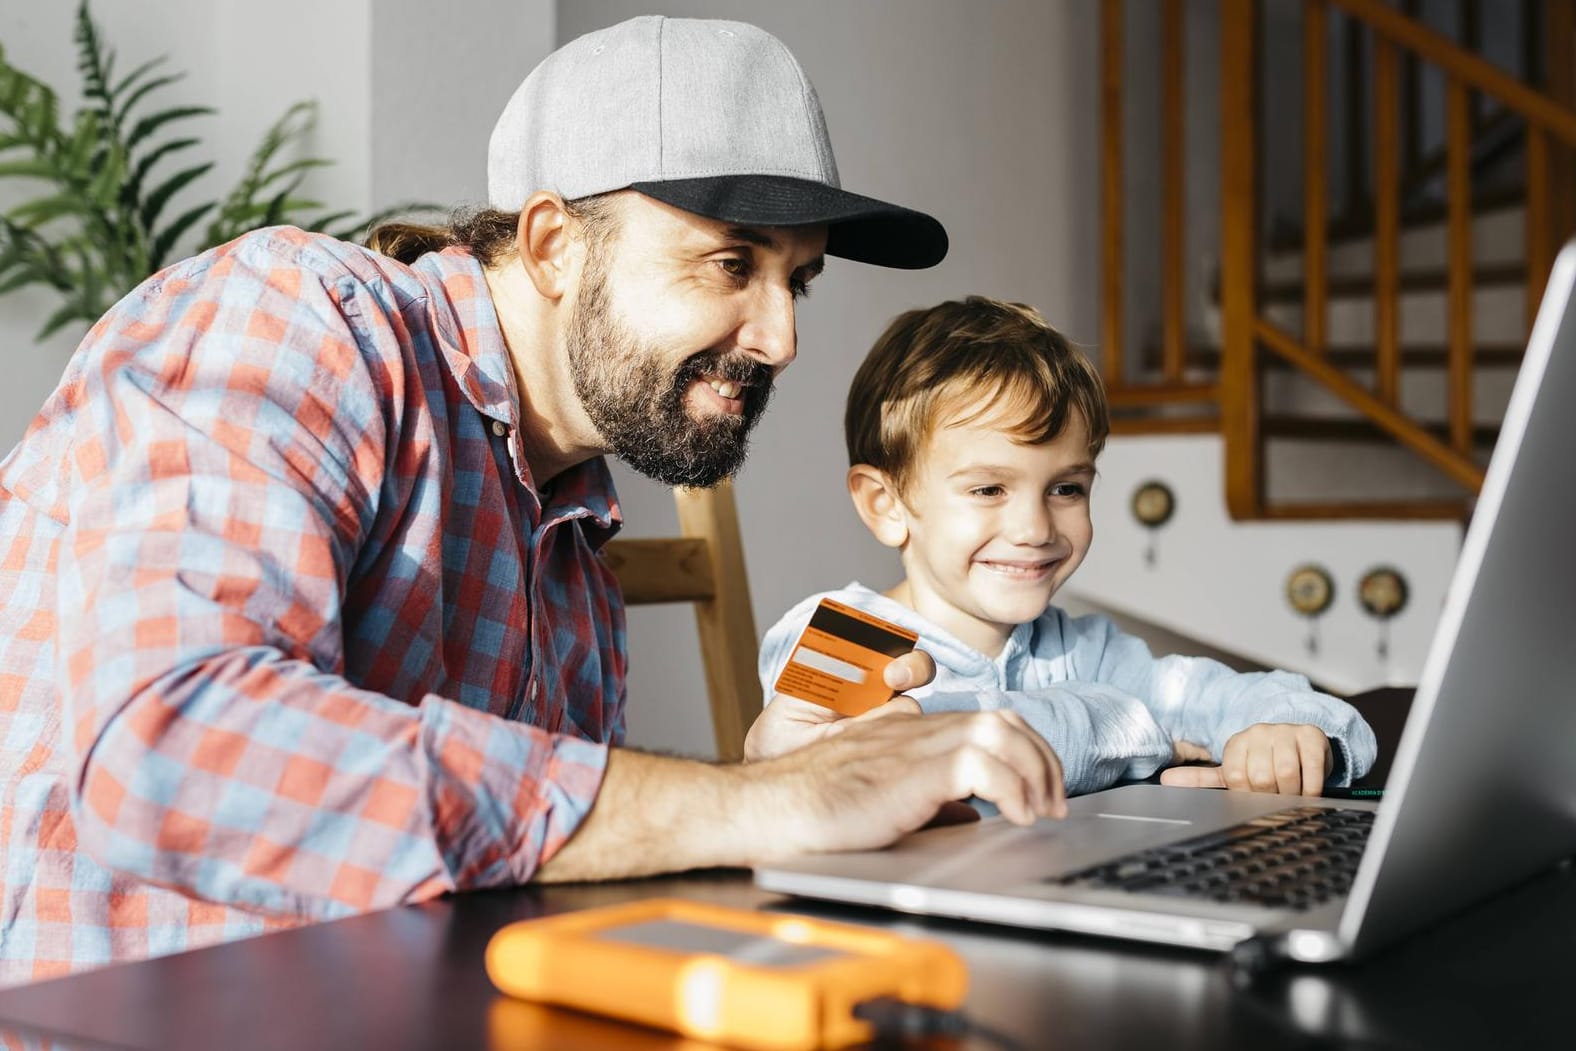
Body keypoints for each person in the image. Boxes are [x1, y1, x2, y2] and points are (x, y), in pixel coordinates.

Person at [0, 17, 1067, 985]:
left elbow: (520, 881)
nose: (781, 337)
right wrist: (748, 808)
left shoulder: (571, 540)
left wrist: (773, 790)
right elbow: (170, 749)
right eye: (730, 262)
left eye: (797, 281)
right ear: (555, 243)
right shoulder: (293, 320)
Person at [750, 296, 1377, 798]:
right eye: (990, 488)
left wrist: (1294, 730)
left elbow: (1221, 697)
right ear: (886, 506)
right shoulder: (836, 638)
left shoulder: (1085, 649)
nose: (1035, 527)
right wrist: (1130, 722)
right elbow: (928, 762)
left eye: (1066, 488)